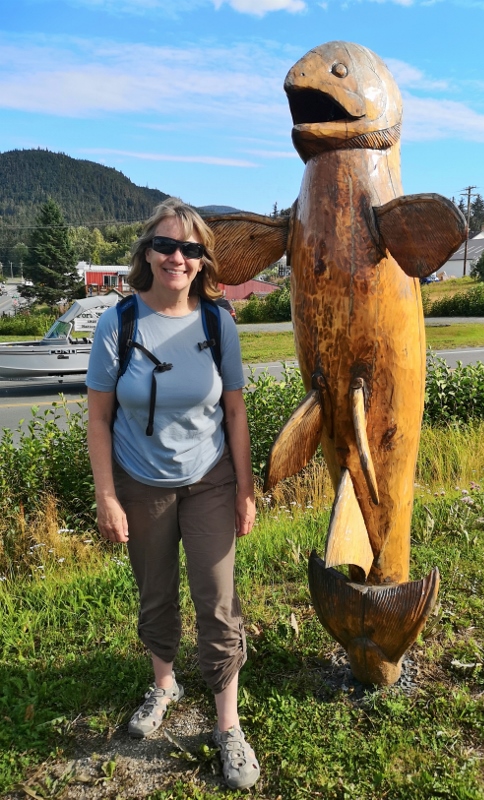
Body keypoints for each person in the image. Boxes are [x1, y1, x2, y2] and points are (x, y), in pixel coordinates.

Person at [86, 198, 260, 791]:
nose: (177, 258)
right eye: (166, 245)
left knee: (217, 598)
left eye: (190, 248)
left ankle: (228, 724)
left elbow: (234, 413)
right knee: (155, 590)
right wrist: (107, 497)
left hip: (210, 477)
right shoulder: (119, 323)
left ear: (203, 259)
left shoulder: (217, 322)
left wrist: (245, 489)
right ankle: (164, 683)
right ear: (147, 252)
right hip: (140, 481)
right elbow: (98, 418)